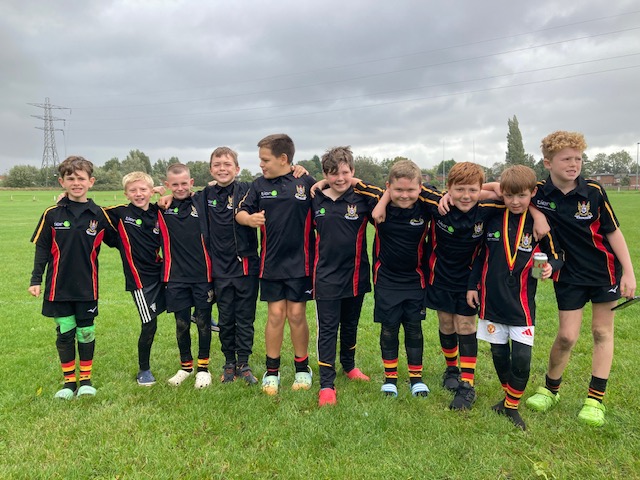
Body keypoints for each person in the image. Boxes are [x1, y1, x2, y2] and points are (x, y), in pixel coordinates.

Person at [524, 131, 636, 426]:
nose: (574, 164)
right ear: (548, 163)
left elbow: (613, 232)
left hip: (604, 273)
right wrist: (536, 213)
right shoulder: (537, 192)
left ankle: (594, 400)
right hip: (568, 275)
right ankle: (550, 390)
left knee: (601, 332)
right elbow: (504, 188)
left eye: (578, 158)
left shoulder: (594, 191)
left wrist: (629, 272)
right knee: (567, 336)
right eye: (566, 159)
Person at [466, 165, 564, 430]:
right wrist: (472, 286)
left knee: (521, 358)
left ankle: (511, 406)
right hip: (491, 300)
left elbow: (557, 255)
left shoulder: (539, 223)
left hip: (521, 304)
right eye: (509, 195)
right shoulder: (493, 215)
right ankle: (508, 401)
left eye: (521, 195)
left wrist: (550, 267)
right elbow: (480, 256)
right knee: (499, 354)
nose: (515, 201)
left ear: (532, 193)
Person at [28, 156, 118, 399]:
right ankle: (69, 383)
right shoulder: (52, 214)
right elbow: (42, 249)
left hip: (88, 287)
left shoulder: (99, 215)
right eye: (70, 178)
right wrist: (35, 280)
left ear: (91, 182)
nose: (76, 183)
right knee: (65, 332)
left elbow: (121, 241)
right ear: (62, 182)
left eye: (81, 178)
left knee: (86, 332)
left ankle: (86, 380)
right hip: (58, 287)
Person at [236, 134, 316, 395]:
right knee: (276, 315)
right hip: (271, 264)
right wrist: (249, 220)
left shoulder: (305, 181)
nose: (261, 164)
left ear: (283, 159)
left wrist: (305, 170)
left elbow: (329, 191)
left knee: (297, 314)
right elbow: (240, 211)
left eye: (265, 159)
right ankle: (272, 371)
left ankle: (302, 368)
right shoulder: (258, 185)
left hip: (301, 264)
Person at [361, 160, 441, 398]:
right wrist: (384, 199)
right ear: (388, 186)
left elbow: (446, 197)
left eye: (411, 190)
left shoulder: (424, 207)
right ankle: (390, 379)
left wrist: (393, 195)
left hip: (415, 278)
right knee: (389, 329)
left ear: (420, 188)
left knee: (414, 328)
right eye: (398, 190)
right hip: (386, 278)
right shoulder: (376, 202)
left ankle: (416, 379)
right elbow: (354, 183)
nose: (404, 195)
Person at [312, 146, 373, 406]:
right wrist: (320, 184)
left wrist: (357, 182)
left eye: (345, 173)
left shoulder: (362, 198)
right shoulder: (315, 198)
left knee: (350, 324)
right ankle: (327, 384)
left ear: (353, 172)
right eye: (333, 173)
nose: (340, 178)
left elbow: (385, 196)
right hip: (325, 277)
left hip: (355, 274)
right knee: (328, 329)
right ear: (325, 174)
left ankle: (349, 366)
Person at [104, 172, 166, 387]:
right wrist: (65, 200)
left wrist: (162, 194)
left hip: (162, 273)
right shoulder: (121, 212)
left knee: (187, 300)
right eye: (133, 190)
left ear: (151, 191)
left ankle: (198, 314)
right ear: (126, 194)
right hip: (140, 281)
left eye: (143, 189)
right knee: (149, 324)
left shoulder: (159, 210)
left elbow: (185, 200)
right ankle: (144, 369)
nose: (138, 194)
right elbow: (90, 210)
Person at [158, 163, 214, 389]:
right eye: (175, 184)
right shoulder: (161, 208)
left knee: (203, 322)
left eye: (184, 183)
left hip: (202, 276)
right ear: (167, 184)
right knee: (181, 323)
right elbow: (134, 203)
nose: (180, 188)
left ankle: (203, 368)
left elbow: (220, 185)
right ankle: (185, 367)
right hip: (175, 277)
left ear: (191, 182)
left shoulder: (202, 201)